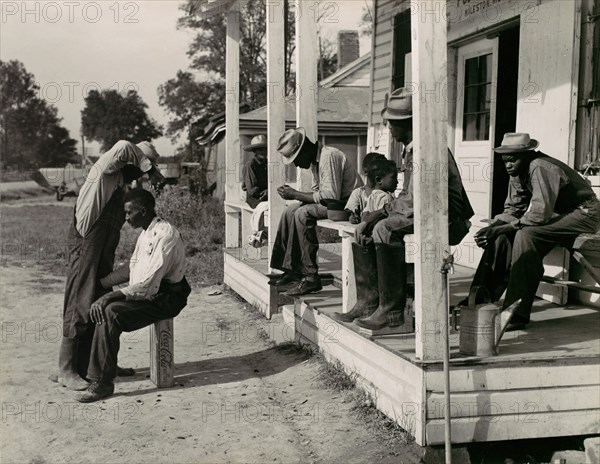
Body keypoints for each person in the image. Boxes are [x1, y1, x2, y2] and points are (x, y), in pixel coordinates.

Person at [333, 88, 474, 329]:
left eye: (391, 124)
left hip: (447, 218)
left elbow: (415, 201)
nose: (389, 129)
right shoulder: (412, 148)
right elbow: (411, 198)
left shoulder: (425, 150)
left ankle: (391, 310)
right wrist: (375, 216)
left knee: (384, 229)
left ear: (406, 123)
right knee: (365, 231)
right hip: (427, 212)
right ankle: (368, 302)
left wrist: (380, 213)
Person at [52, 140, 165, 391]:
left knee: (99, 302)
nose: (140, 176)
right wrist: (149, 168)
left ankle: (99, 365)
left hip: (102, 251)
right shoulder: (106, 169)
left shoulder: (119, 184)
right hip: (86, 247)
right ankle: (67, 368)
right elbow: (124, 144)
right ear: (133, 162)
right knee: (79, 302)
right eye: (140, 168)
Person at [463, 132, 600, 331]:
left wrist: (505, 227)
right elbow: (513, 209)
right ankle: (479, 301)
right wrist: (494, 227)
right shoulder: (517, 171)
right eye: (505, 161)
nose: (508, 165)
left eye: (512, 160)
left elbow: (539, 215)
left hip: (586, 214)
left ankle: (516, 313)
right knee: (501, 236)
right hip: (560, 214)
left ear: (527, 154)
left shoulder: (540, 167)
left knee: (527, 235)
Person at [74, 189, 191, 402]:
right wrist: (100, 284)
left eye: (129, 213)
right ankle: (104, 368)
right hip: (154, 293)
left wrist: (109, 296)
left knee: (111, 312)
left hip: (168, 298)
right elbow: (132, 268)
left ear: (143, 210)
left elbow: (147, 286)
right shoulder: (146, 232)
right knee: (103, 306)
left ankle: (103, 382)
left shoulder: (165, 235)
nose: (126, 219)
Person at [270, 128, 362, 296]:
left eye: (296, 159)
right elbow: (317, 193)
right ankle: (290, 268)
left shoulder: (329, 156)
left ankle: (311, 277)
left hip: (350, 206)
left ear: (304, 149)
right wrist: (295, 197)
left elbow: (329, 195)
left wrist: (296, 194)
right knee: (289, 211)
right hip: (335, 204)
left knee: (302, 214)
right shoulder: (315, 161)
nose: (296, 164)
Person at [344, 152, 387, 224]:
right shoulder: (358, 193)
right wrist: (353, 217)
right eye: (376, 170)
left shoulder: (385, 194)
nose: (380, 174)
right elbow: (351, 212)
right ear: (365, 171)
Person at [242, 134, 269, 209]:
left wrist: (269, 191)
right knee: (267, 208)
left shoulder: (269, 164)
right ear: (254, 151)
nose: (264, 152)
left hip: (268, 197)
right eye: (260, 149)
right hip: (255, 199)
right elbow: (252, 191)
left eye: (265, 149)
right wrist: (267, 192)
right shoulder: (250, 165)